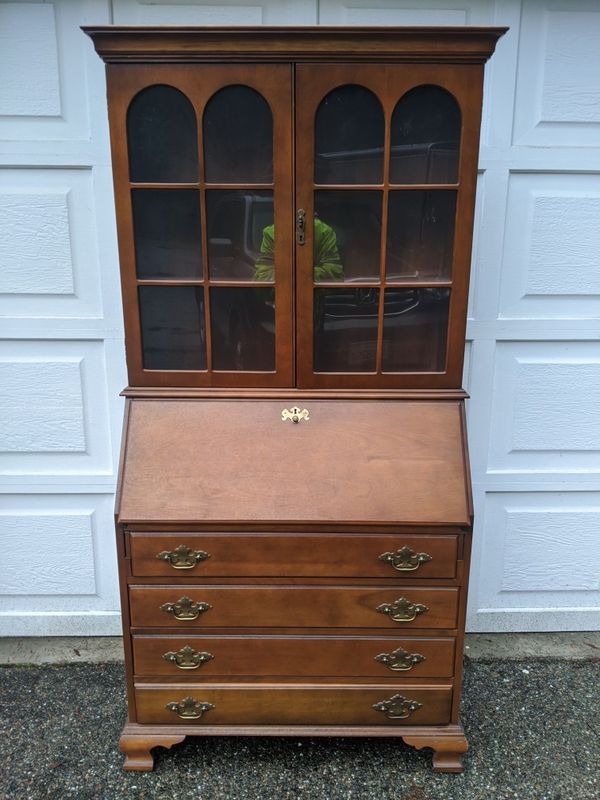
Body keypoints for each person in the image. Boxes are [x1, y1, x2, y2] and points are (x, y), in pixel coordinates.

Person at [254, 217, 343, 281]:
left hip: (316, 299)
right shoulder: (271, 233)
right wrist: (304, 274)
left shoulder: (324, 231)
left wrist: (292, 275)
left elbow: (334, 274)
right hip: (280, 299)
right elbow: (262, 278)